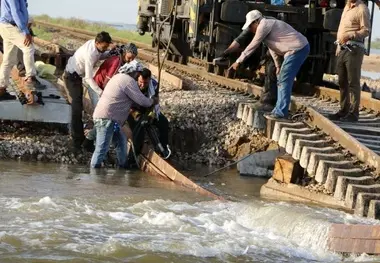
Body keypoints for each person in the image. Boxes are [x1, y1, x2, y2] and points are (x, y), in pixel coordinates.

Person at [229, 10, 310, 120]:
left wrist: (238, 61)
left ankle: (281, 113)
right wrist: (277, 66)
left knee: (284, 80)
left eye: (251, 26)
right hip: (296, 50)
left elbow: (253, 45)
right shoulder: (267, 29)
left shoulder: (264, 25)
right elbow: (273, 49)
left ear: (256, 21)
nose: (250, 29)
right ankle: (279, 110)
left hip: (297, 49)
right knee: (281, 79)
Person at [90, 62, 158, 168]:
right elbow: (142, 101)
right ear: (134, 72)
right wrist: (152, 101)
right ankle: (94, 174)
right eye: (137, 73)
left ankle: (123, 168)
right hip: (107, 119)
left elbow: (129, 100)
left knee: (121, 144)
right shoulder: (128, 81)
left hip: (112, 120)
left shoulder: (118, 77)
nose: (137, 76)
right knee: (102, 149)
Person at [82, 43, 139, 151]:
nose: (131, 60)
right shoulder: (116, 63)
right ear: (124, 53)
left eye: (133, 59)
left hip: (103, 90)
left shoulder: (123, 63)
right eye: (129, 57)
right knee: (105, 117)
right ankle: (89, 142)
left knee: (106, 117)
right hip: (96, 88)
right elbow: (106, 84)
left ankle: (92, 141)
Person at [63, 31, 113, 153]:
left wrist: (109, 53)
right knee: (76, 109)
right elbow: (89, 78)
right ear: (97, 43)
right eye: (104, 47)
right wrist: (101, 92)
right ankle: (76, 142)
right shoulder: (90, 53)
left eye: (107, 46)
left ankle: (80, 139)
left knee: (78, 107)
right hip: (71, 77)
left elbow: (99, 55)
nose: (105, 48)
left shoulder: (95, 48)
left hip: (76, 77)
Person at [328, 0, 370, 122]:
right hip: (342, 48)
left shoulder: (362, 9)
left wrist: (350, 35)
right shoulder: (346, 7)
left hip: (354, 49)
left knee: (353, 82)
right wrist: (338, 47)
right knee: (342, 82)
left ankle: (353, 113)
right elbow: (342, 28)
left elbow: (366, 30)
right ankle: (343, 110)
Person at [219, 28, 278, 110]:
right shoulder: (255, 26)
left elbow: (251, 47)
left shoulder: (262, 27)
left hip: (286, 49)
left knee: (272, 68)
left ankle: (271, 104)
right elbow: (239, 39)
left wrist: (237, 61)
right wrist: (226, 52)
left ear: (255, 23)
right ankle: (274, 104)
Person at [0, 0, 44, 101]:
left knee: (8, 59)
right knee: (28, 47)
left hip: (7, 26)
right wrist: (25, 31)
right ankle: (30, 78)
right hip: (10, 26)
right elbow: (15, 11)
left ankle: (1, 89)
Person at [126, 68, 171, 162]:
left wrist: (151, 115)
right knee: (140, 127)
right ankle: (133, 157)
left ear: (149, 80)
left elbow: (155, 103)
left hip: (148, 108)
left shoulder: (154, 85)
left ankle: (163, 149)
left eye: (145, 83)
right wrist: (137, 115)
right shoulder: (131, 84)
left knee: (164, 122)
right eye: (140, 82)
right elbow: (127, 104)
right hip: (132, 110)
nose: (142, 85)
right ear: (138, 78)